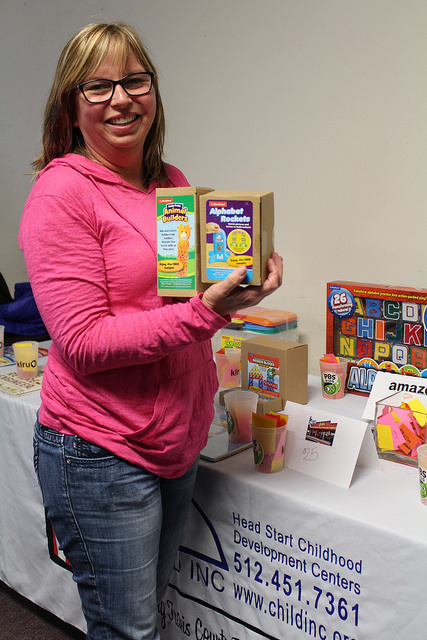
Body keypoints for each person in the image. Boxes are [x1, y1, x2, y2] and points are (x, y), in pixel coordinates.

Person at [19, 22, 283, 640]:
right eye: (98, 86)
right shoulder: (61, 194)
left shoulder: (171, 182)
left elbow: (180, 303)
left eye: (135, 80)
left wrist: (239, 288)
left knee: (146, 616)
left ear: (154, 92)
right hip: (101, 450)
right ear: (70, 105)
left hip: (173, 441)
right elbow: (83, 343)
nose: (121, 98)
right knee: (128, 631)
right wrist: (208, 311)